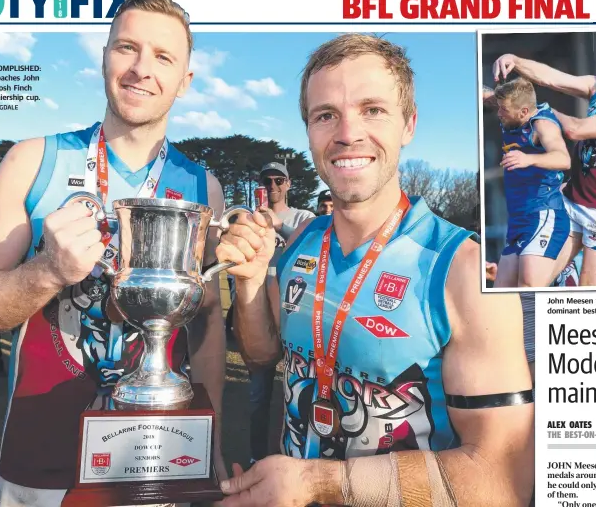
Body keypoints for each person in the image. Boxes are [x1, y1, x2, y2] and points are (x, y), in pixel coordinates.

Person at [217, 33, 533, 506]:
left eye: (373, 110)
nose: (348, 133)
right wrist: (248, 285)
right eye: (326, 115)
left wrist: (315, 482)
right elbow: (263, 356)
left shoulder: (460, 270)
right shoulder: (301, 243)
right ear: (309, 131)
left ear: (408, 123)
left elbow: (500, 478)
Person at [0, 0, 227, 505]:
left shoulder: (201, 188)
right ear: (103, 57)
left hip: (157, 451)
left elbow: (208, 325)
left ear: (185, 81)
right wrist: (47, 271)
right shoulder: (35, 160)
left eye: (163, 56)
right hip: (41, 459)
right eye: (127, 47)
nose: (142, 68)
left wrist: (211, 436)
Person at [493, 49, 596, 286]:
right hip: (572, 197)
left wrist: (540, 111)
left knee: (588, 292)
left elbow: (575, 130)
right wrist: (515, 61)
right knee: (539, 281)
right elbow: (551, 77)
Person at [245, 162, 315, 465]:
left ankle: (291, 457)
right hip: (256, 309)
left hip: (292, 311)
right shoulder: (251, 218)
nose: (272, 185)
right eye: (266, 180)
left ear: (288, 184)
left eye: (278, 180)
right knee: (257, 393)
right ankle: (256, 458)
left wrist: (279, 226)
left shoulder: (304, 218)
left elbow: (311, 250)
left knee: (294, 390)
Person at [481, 78, 571, 287]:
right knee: (501, 293)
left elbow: (563, 159)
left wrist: (529, 158)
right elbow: (485, 95)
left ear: (523, 112)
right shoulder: (512, 110)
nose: (499, 113)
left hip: (543, 213)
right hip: (518, 220)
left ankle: (561, 277)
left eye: (504, 110)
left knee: (528, 288)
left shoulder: (542, 125)